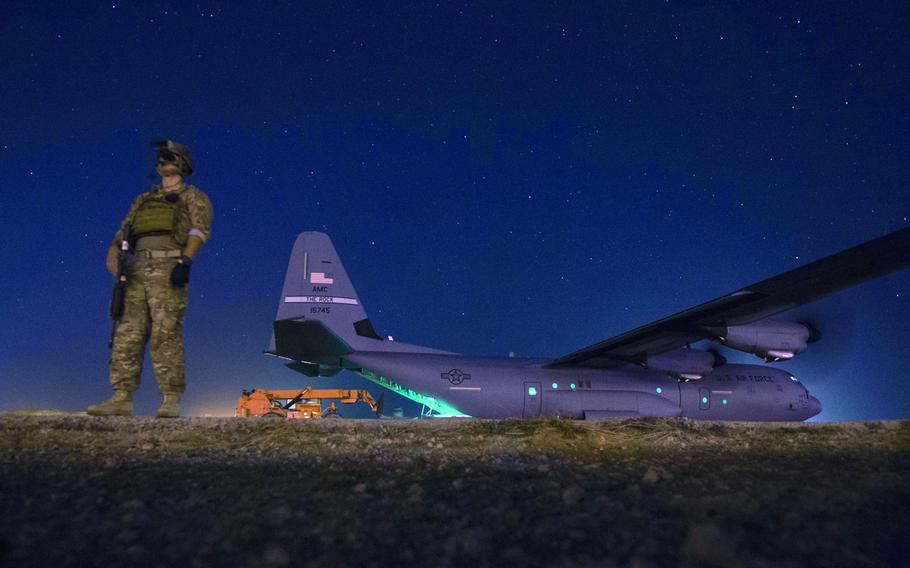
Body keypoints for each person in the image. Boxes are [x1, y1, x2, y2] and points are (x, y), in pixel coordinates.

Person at [87, 140, 213, 418]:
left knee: (165, 332)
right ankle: (121, 396)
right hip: (136, 269)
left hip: (168, 266)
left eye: (169, 157)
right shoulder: (143, 200)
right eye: (160, 158)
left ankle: (170, 398)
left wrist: (185, 261)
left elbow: (199, 230)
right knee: (128, 333)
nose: (162, 161)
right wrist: (113, 250)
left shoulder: (192, 196)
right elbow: (126, 230)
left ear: (182, 162)